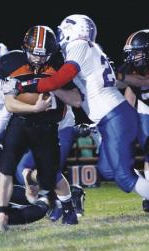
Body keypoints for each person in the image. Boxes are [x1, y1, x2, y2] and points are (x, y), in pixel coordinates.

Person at [15, 14, 149, 210]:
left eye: (62, 30)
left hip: (114, 115)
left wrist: (33, 83)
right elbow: (77, 99)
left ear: (74, 30)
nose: (60, 35)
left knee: (124, 177)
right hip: (111, 117)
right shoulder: (88, 49)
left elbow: (60, 79)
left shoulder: (78, 45)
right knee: (108, 171)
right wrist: (49, 85)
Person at [0, 25, 83, 232]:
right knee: (7, 166)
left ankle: (67, 205)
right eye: (34, 54)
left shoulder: (58, 66)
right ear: (24, 48)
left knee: (50, 176)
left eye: (43, 55)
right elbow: (10, 104)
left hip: (50, 125)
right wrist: (34, 107)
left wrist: (50, 84)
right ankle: (1, 216)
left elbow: (76, 100)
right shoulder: (12, 64)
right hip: (21, 121)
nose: (38, 59)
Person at [117, 29, 149, 212]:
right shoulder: (132, 69)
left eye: (137, 53)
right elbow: (129, 91)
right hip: (146, 108)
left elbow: (141, 82)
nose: (133, 57)